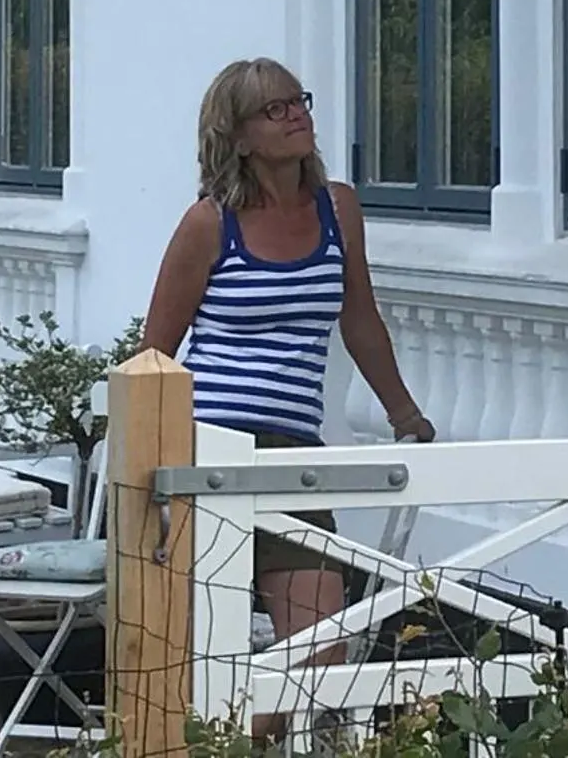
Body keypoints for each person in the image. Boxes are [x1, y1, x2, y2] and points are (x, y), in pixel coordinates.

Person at [141, 57, 433, 705]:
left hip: (290, 455)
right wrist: (150, 469)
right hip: (207, 449)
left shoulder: (338, 209)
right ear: (238, 136)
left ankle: (221, 748)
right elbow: (154, 354)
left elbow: (360, 318)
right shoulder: (210, 223)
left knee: (320, 652)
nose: (295, 114)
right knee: (190, 656)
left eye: (297, 101)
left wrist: (404, 413)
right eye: (273, 109)